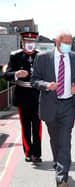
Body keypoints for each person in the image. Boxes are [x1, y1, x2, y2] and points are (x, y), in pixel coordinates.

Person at [32, 31, 75, 187]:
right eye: (65, 42)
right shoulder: (42, 58)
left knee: (65, 140)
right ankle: (58, 162)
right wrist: (46, 85)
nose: (68, 45)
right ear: (57, 42)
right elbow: (34, 80)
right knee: (55, 139)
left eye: (70, 42)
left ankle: (62, 177)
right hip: (50, 104)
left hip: (68, 104)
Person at [4, 32, 42, 163]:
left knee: (37, 126)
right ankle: (28, 152)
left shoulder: (40, 56)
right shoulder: (15, 56)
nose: (30, 44)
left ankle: (37, 153)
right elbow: (6, 74)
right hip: (22, 95)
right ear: (22, 42)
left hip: (37, 95)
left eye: (32, 41)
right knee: (25, 126)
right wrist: (16, 74)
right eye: (27, 42)